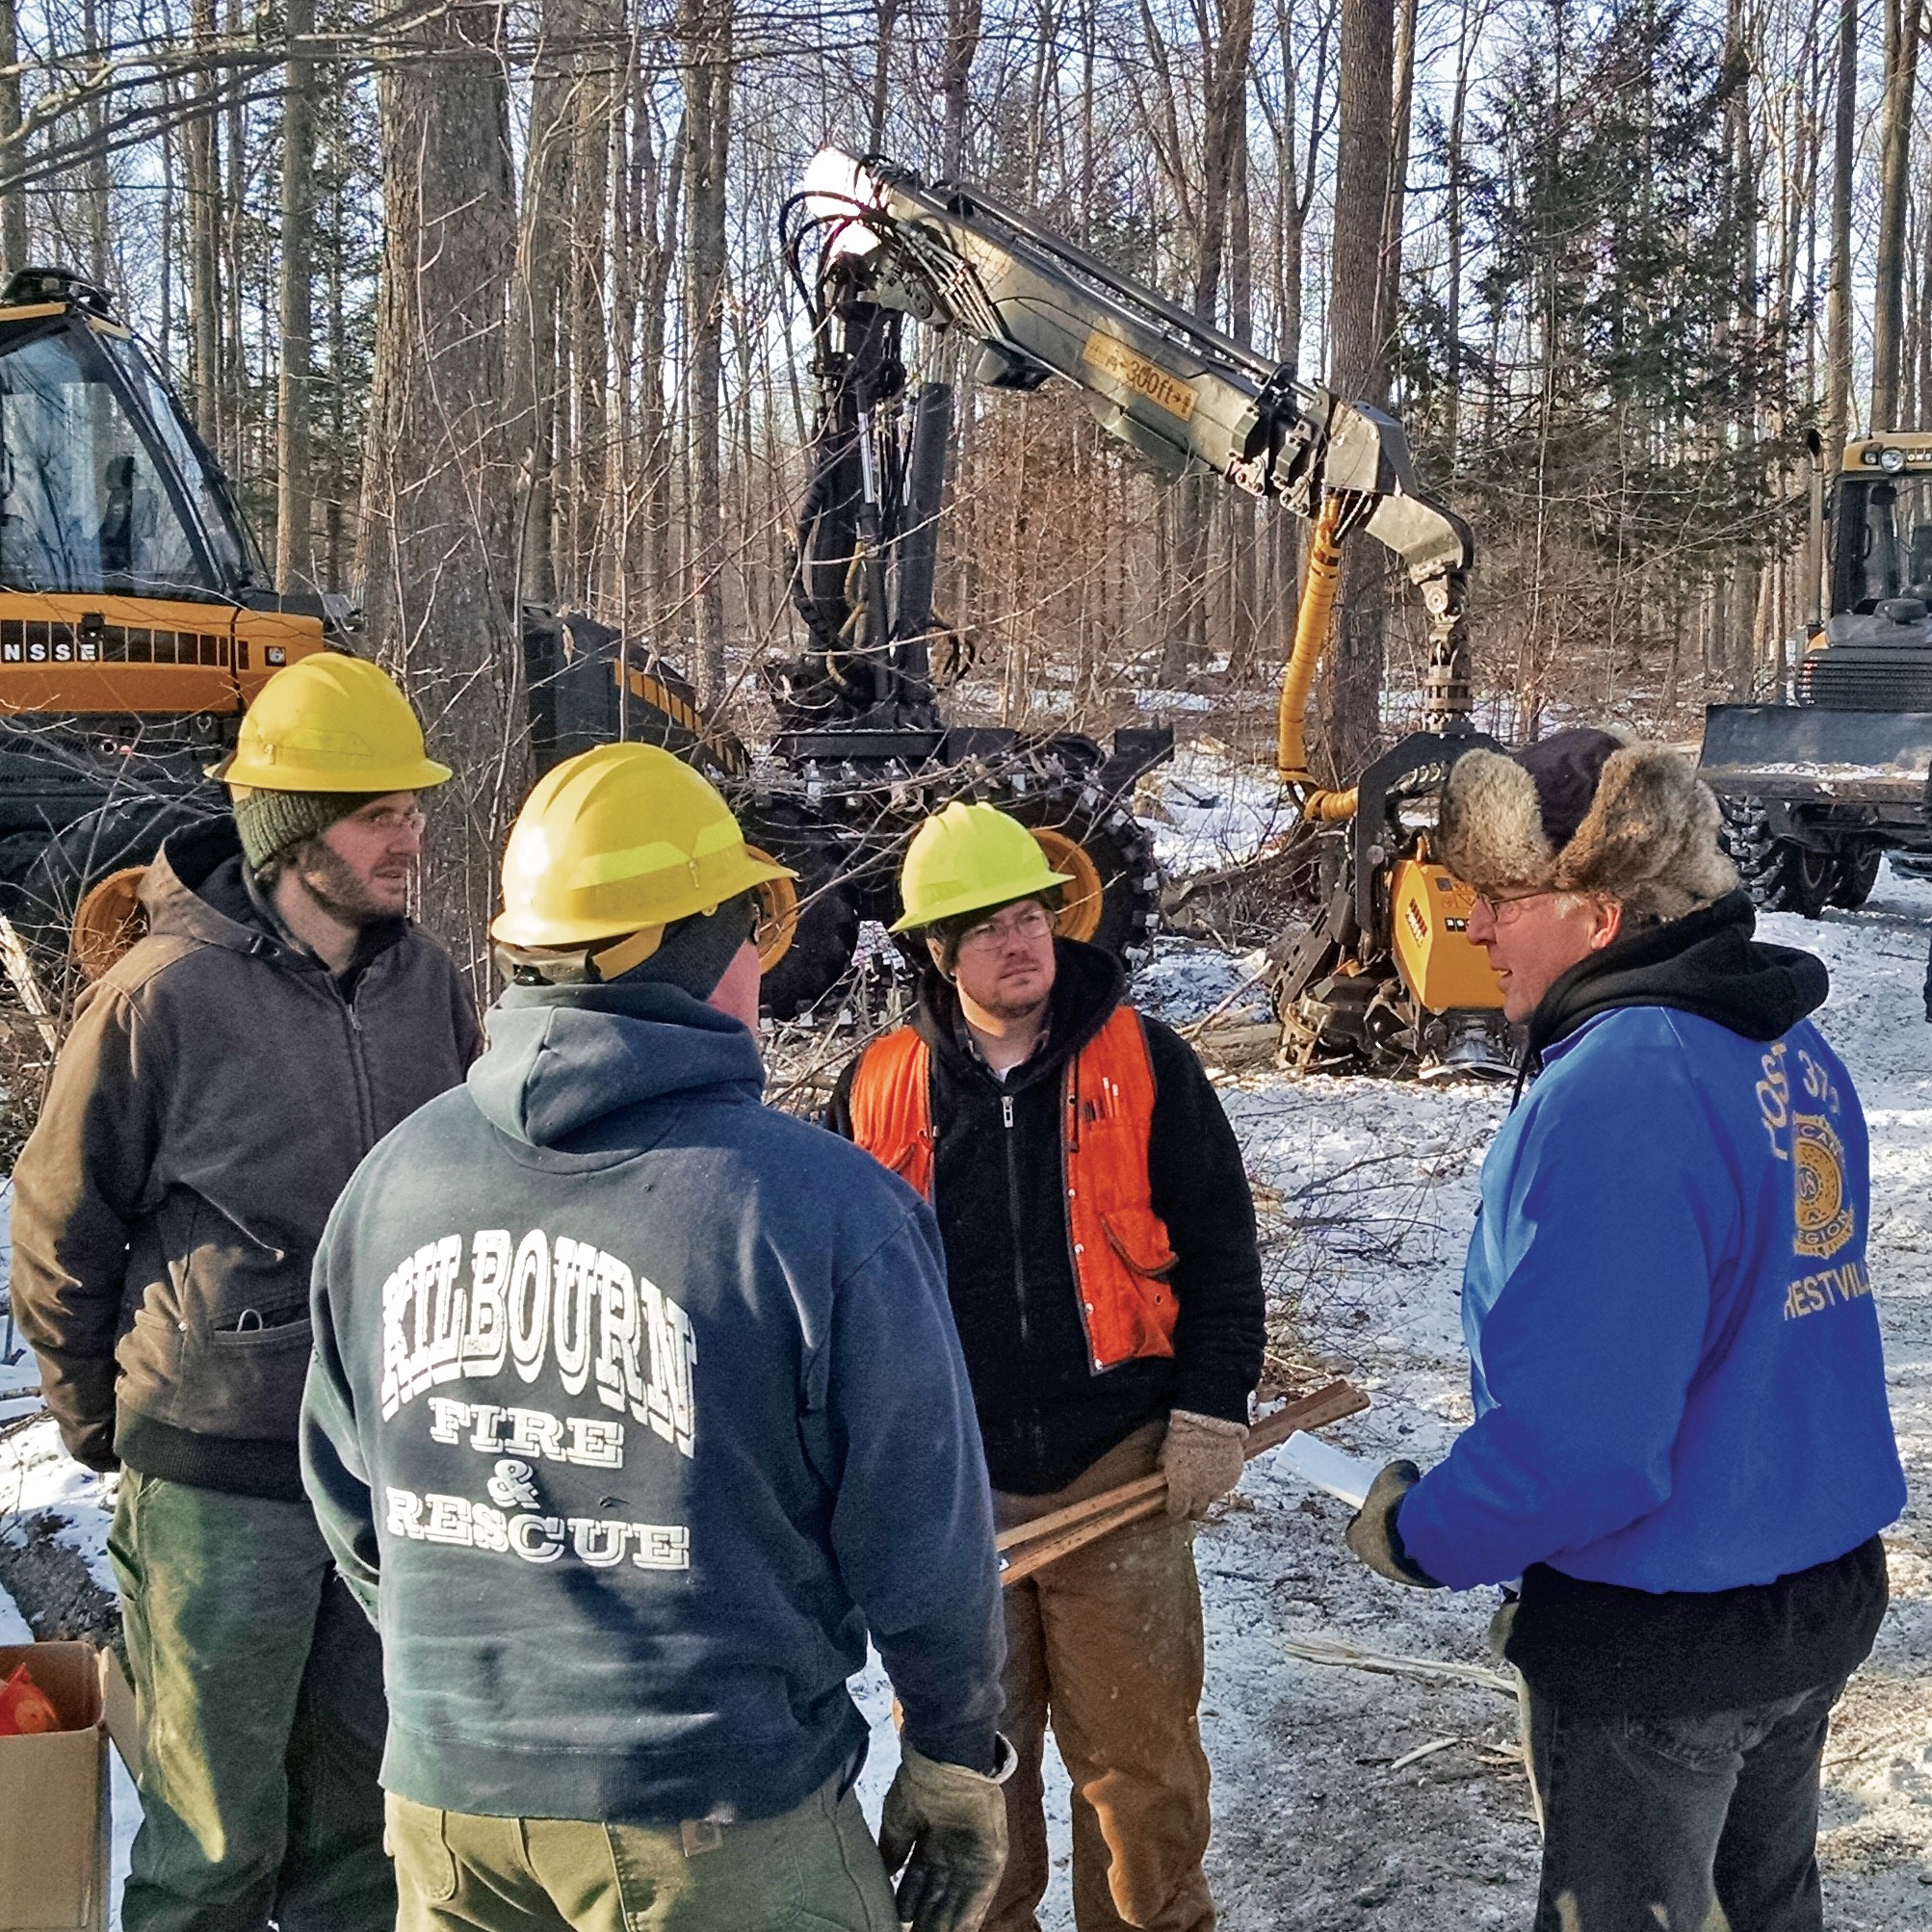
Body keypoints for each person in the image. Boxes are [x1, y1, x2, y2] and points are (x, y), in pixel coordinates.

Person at [300, 742, 1012, 1932]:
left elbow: (346, 1495)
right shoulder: (820, 1212)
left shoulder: (389, 1187)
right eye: (748, 934)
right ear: (697, 954)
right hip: (714, 1816)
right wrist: (949, 1756)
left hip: (447, 1812)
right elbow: (922, 1531)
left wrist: (489, 1675)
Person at [1343, 727, 1906, 1932]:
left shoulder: (1617, 1088)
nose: (1475, 927)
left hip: (1665, 1636)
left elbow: (1585, 1443)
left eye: (1498, 898)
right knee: (1764, 1908)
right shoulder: (1786, 1050)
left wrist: (1424, 1531)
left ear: (1595, 914)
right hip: (1805, 1594)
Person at [11, 651, 480, 1932]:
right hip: (216, 1481)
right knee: (214, 1849)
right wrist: (104, 1424)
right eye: (379, 813)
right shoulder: (162, 993)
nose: (411, 837)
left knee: (362, 1842)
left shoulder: (426, 982)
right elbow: (59, 1226)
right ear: (293, 833)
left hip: (383, 1480)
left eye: (412, 809)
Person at [828, 800, 1266, 1932]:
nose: (1018, 942)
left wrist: (1209, 1411)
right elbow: (834, 1305)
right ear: (935, 950)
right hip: (953, 1498)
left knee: (1140, 1771)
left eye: (1030, 915)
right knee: (975, 1778)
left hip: (1113, 1472)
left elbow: (1220, 1248)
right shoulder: (874, 1087)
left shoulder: (1145, 1061)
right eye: (983, 928)